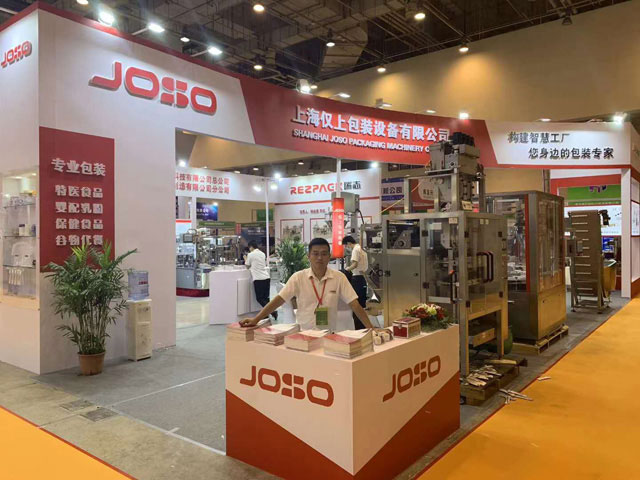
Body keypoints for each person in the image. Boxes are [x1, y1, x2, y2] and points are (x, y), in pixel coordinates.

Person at [240, 237, 378, 332]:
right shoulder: (298, 278)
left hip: (329, 334)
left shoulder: (339, 278)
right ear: (308, 256)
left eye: (324, 254)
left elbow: (355, 305)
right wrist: (256, 319)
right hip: (303, 334)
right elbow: (279, 300)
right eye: (315, 254)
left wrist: (371, 329)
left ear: (329, 256)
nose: (319, 258)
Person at [244, 240, 277, 320]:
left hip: (258, 279)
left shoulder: (250, 254)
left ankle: (272, 311)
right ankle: (265, 315)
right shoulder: (262, 254)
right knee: (266, 298)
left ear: (251, 247)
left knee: (260, 298)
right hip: (266, 277)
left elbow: (247, 266)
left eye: (249, 248)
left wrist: (245, 258)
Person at [342, 235, 369, 330]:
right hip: (362, 278)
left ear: (349, 243)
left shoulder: (355, 250)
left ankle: (358, 326)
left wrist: (346, 269)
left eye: (346, 246)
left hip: (357, 278)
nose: (347, 247)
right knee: (361, 302)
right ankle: (362, 325)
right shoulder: (362, 250)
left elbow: (355, 264)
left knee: (356, 303)